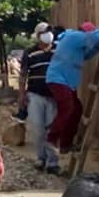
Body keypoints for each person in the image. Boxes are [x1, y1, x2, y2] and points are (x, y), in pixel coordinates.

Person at [45, 20, 99, 157]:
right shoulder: (75, 36)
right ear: (84, 33)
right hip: (58, 79)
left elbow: (86, 55)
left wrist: (97, 49)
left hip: (67, 82)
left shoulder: (76, 44)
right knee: (67, 108)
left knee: (76, 110)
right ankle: (52, 138)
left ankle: (66, 144)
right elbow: (94, 37)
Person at [16, 21, 60, 174]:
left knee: (52, 129)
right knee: (38, 129)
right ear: (38, 36)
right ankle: (41, 158)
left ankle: (53, 162)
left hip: (53, 95)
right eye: (45, 32)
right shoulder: (30, 52)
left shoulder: (58, 49)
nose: (49, 34)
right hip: (35, 95)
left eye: (49, 31)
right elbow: (23, 74)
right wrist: (21, 94)